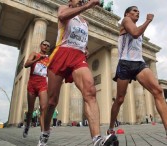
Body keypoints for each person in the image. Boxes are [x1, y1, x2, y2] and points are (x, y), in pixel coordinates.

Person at [38, 1, 118, 146]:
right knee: (52, 101)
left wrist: (85, 49)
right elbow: (62, 16)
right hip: (62, 53)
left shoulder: (85, 22)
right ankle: (45, 132)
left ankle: (97, 139)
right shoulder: (64, 8)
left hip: (78, 56)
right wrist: (87, 6)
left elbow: (82, 40)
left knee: (90, 92)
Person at [107, 6, 167, 138]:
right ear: (127, 13)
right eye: (134, 10)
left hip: (139, 64)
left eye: (138, 11)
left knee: (157, 91)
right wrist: (148, 21)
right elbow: (134, 33)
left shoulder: (138, 27)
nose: (137, 12)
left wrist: (144, 24)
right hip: (125, 64)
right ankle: (111, 127)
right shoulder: (126, 20)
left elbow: (137, 35)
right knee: (120, 99)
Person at [23, 40, 50, 138]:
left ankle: (43, 134)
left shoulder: (49, 59)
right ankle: (27, 126)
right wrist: (37, 59)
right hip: (32, 84)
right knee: (30, 110)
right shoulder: (34, 54)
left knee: (43, 108)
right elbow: (26, 64)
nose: (46, 47)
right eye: (44, 45)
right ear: (40, 45)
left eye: (48, 46)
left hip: (42, 84)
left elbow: (49, 72)